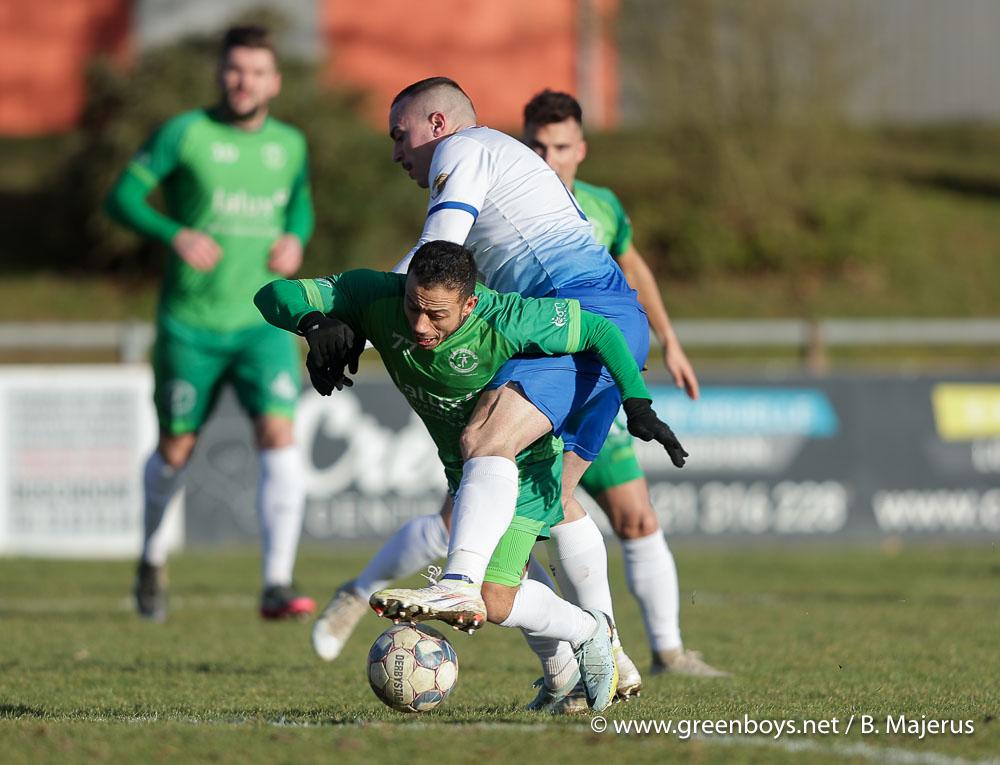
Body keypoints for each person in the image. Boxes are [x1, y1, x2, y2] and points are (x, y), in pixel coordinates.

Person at [307, 77, 686, 709]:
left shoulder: (464, 148)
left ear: (436, 123)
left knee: (485, 438)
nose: (396, 152)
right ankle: (607, 656)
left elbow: (434, 255)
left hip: (576, 320)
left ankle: (459, 582)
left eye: (400, 135)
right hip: (604, 321)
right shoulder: (491, 160)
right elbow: (435, 269)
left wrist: (351, 312)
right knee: (550, 498)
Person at [255, 241, 684, 711]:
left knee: (493, 597)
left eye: (437, 315)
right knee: (503, 590)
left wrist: (637, 402)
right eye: (414, 306)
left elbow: (600, 329)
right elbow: (273, 293)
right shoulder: (373, 293)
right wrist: (313, 322)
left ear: (470, 303)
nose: (420, 325)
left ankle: (578, 627)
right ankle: (569, 672)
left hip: (523, 466)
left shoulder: (506, 316)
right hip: (467, 471)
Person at [105, 25, 316, 622]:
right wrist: (174, 232)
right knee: (176, 447)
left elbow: (300, 203)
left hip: (264, 323)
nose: (243, 81)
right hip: (190, 323)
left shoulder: (290, 144)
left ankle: (276, 583)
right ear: (221, 74)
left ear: (274, 82)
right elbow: (122, 198)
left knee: (279, 434)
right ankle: (151, 556)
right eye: (234, 69)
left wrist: (295, 238)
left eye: (256, 72)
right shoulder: (185, 132)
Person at [522, 90, 725, 677]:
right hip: (533, 383)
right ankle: (570, 665)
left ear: (581, 150)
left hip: (597, 384)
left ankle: (668, 653)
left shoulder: (602, 207)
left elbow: (634, 273)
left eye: (560, 147)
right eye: (537, 146)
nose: (548, 158)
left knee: (636, 515)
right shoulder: (507, 206)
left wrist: (669, 340)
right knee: (497, 523)